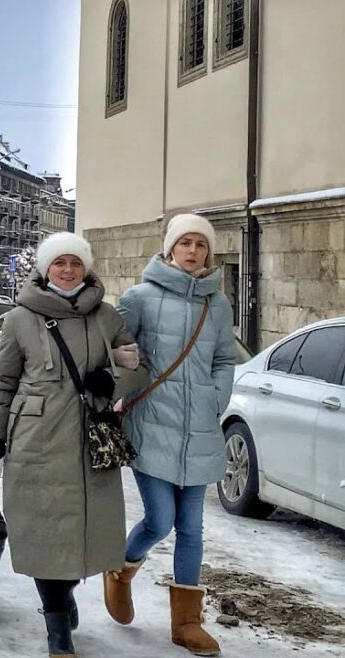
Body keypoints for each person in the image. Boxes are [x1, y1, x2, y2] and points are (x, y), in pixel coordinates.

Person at [0, 232, 142, 658]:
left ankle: (64, 595)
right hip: (36, 437)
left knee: (82, 530)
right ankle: (56, 625)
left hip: (90, 439)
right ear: (45, 268)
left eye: (75, 263)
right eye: (59, 263)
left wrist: (110, 380)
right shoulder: (20, 318)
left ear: (85, 268)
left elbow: (136, 362)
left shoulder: (105, 315)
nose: (68, 270)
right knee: (42, 529)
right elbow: (3, 379)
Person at [106, 214, 237, 656]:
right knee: (160, 520)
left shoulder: (217, 304)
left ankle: (186, 623)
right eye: (186, 242)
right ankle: (120, 570)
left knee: (192, 528)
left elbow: (224, 358)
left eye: (201, 244)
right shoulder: (139, 297)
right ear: (170, 248)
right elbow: (117, 352)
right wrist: (123, 388)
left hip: (199, 429)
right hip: (151, 425)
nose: (193, 251)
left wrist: (216, 398)